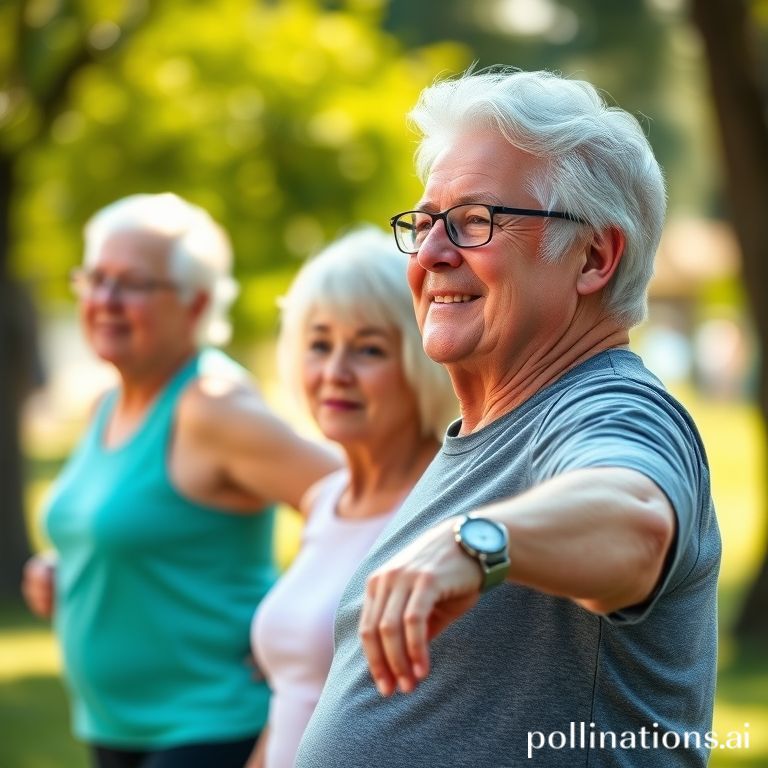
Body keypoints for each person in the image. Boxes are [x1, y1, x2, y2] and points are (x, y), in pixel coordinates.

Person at [295, 69, 721, 768]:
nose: (431, 254)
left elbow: (634, 517)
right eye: (426, 222)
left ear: (593, 257)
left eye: (473, 221)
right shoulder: (489, 430)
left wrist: (476, 545)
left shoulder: (609, 406)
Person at [21, 193, 340, 768]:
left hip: (208, 726)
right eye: (96, 278)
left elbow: (358, 498)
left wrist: (298, 623)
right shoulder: (109, 402)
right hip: (116, 727)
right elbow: (134, 526)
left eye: (133, 284)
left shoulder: (212, 406)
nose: (106, 300)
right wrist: (66, 567)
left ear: (195, 306)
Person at [248, 227, 457, 768]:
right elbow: (291, 705)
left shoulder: (447, 502)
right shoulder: (324, 500)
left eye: (368, 349)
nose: (334, 374)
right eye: (320, 344)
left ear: (421, 359)